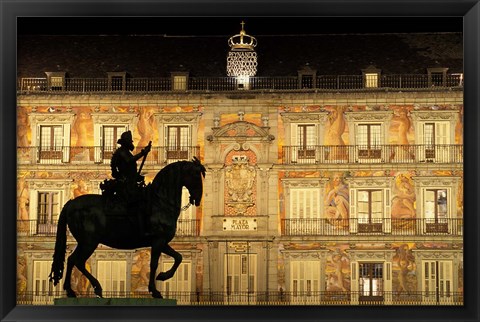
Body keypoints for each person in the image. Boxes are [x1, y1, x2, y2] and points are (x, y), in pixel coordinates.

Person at [110, 130, 152, 236]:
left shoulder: (125, 151)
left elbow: (128, 168)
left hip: (129, 181)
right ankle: (140, 229)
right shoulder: (122, 152)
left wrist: (136, 176)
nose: (132, 144)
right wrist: (143, 153)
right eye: (130, 142)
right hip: (125, 183)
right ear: (126, 142)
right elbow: (129, 161)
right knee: (138, 202)